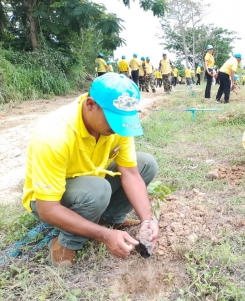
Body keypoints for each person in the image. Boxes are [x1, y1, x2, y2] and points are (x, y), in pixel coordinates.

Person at [22, 73, 159, 267]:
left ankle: (109, 218)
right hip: (50, 200)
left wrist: (147, 220)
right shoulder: (53, 136)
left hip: (92, 181)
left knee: (146, 164)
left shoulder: (117, 127)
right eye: (113, 120)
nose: (118, 128)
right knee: (98, 188)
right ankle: (67, 242)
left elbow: (130, 174)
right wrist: (105, 236)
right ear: (90, 104)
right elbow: (47, 209)